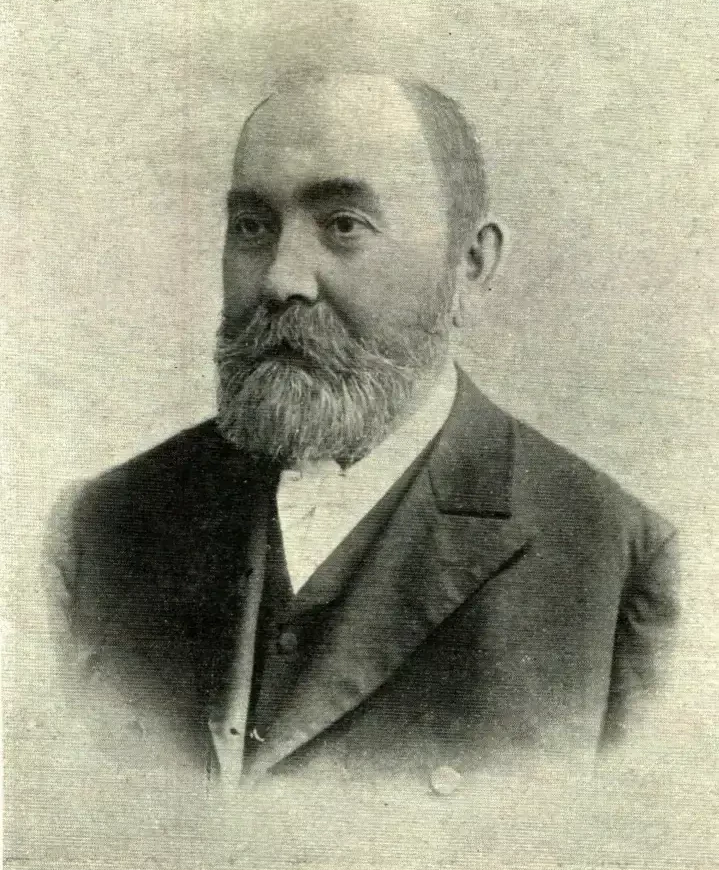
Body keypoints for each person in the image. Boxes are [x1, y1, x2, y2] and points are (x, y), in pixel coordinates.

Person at [51, 72, 678, 794]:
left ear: (470, 265)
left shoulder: (620, 567)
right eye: (251, 226)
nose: (281, 280)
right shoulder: (99, 526)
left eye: (344, 224)